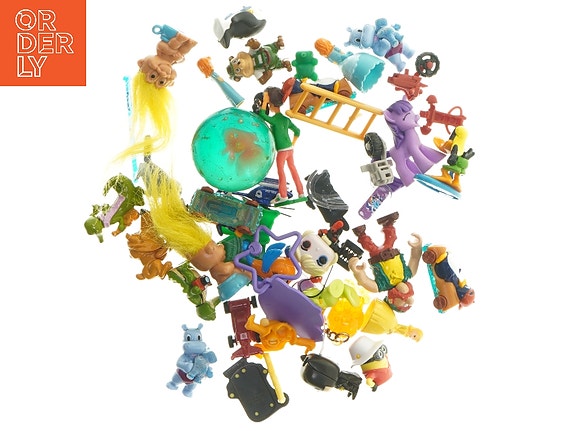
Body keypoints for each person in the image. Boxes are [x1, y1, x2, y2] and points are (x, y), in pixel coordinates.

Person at [255, 87, 305, 204]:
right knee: (293, 170)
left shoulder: (275, 120)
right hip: (290, 150)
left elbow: (262, 114)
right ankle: (301, 193)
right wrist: (292, 144)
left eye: (269, 104)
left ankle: (283, 195)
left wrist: (265, 100)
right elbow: (297, 131)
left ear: (271, 104)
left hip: (282, 151)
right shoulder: (285, 120)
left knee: (281, 172)